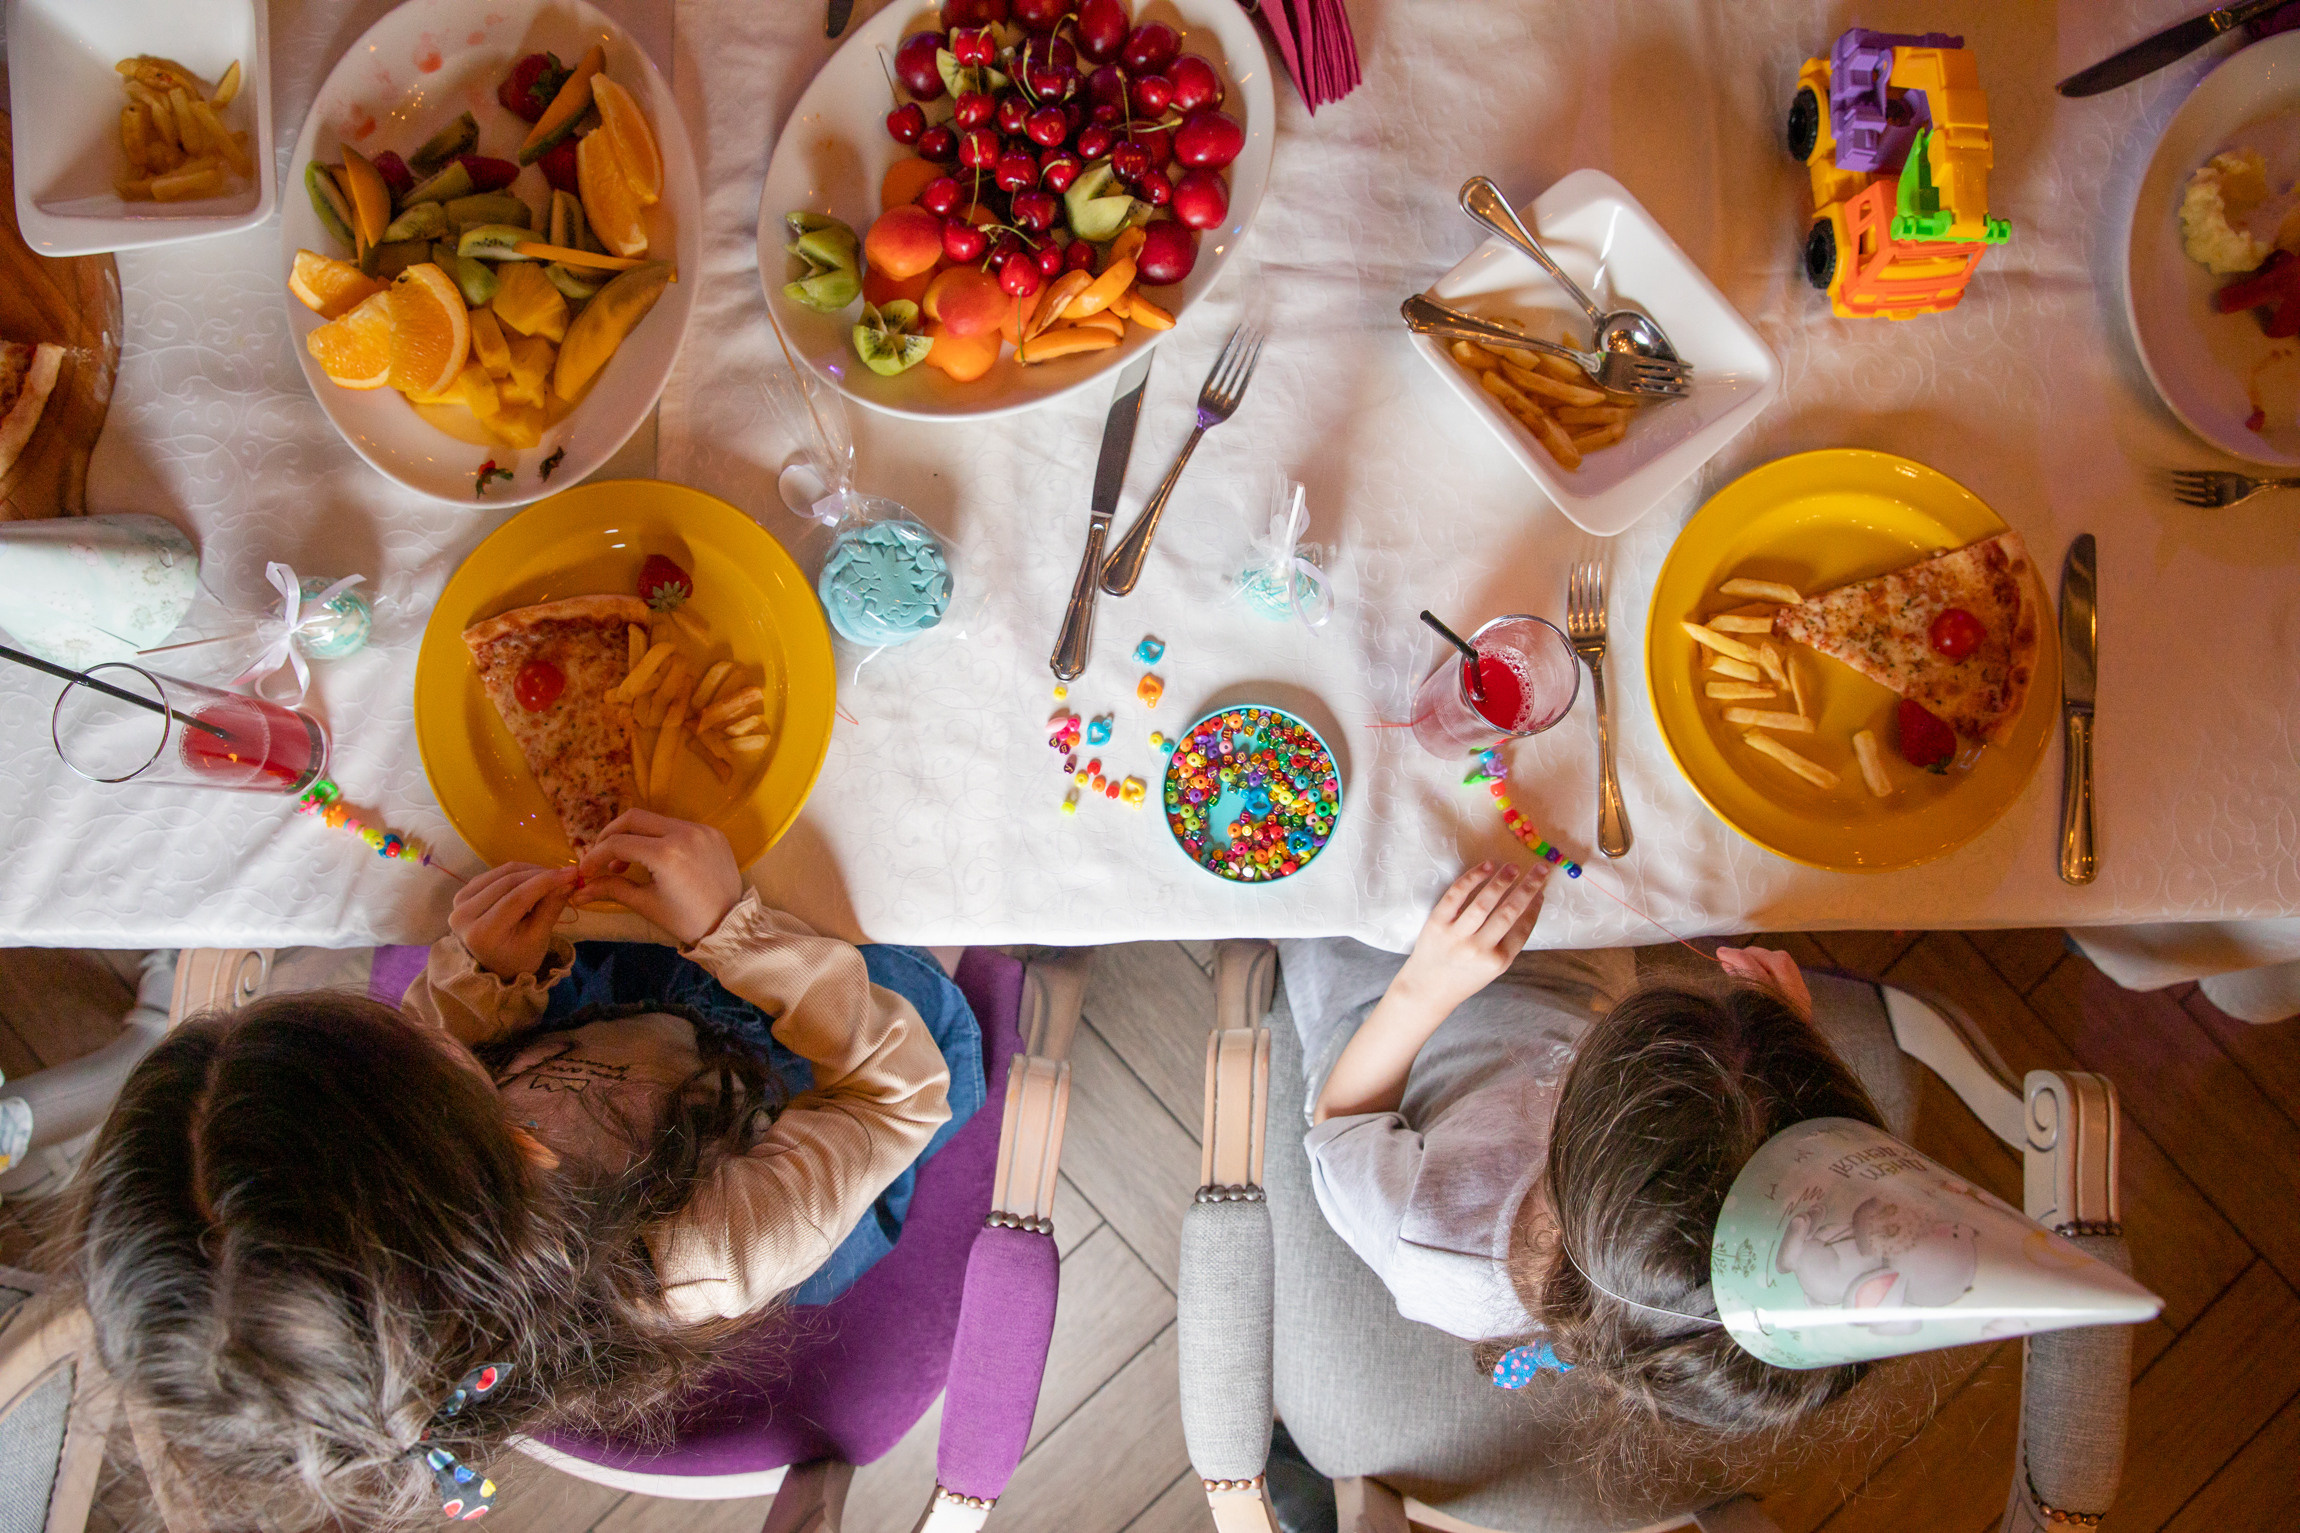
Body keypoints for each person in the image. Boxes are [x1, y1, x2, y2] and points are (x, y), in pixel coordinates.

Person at [55, 811, 982, 1531]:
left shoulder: (431, 1205)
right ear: (465, 1149)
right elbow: (895, 1094)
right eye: (402, 1046)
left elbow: (443, 1037)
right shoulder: (701, 1253)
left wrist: (481, 982)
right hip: (807, 1091)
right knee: (906, 938)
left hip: (614, 1022)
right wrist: (735, 932)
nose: (409, 1020)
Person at [1281, 858, 1889, 1455]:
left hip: (1375, 1004)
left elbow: (1344, 1121)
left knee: (1317, 873)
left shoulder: (1427, 1236)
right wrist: (1774, 1048)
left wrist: (1425, 987)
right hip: (1567, 975)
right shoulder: (1672, 1207)